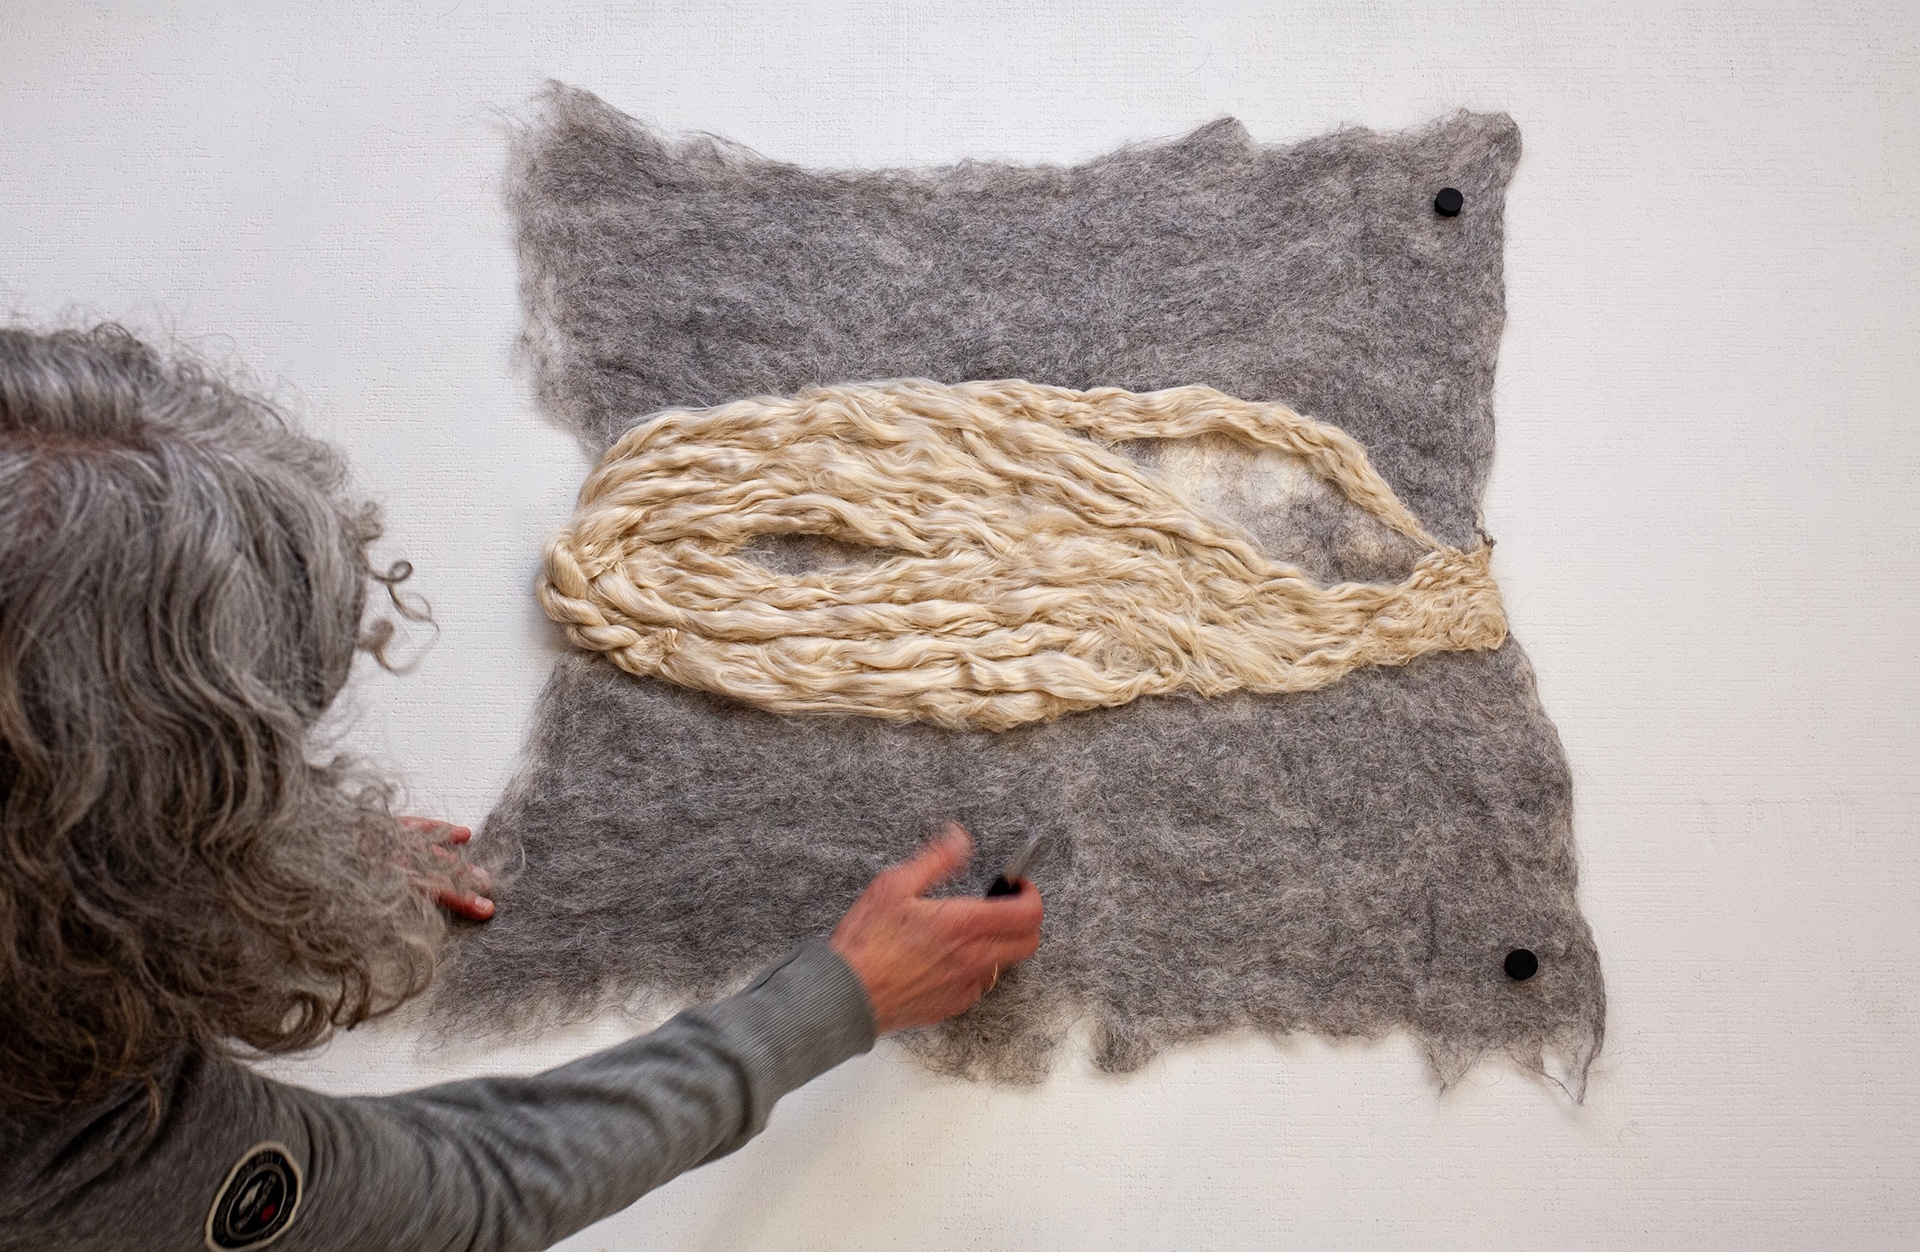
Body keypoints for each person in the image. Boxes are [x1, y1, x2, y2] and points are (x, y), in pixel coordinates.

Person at [0, 324, 1044, 1252]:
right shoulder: (74, 1161)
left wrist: (243, 863)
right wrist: (836, 999)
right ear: (110, 867)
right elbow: (473, 1186)